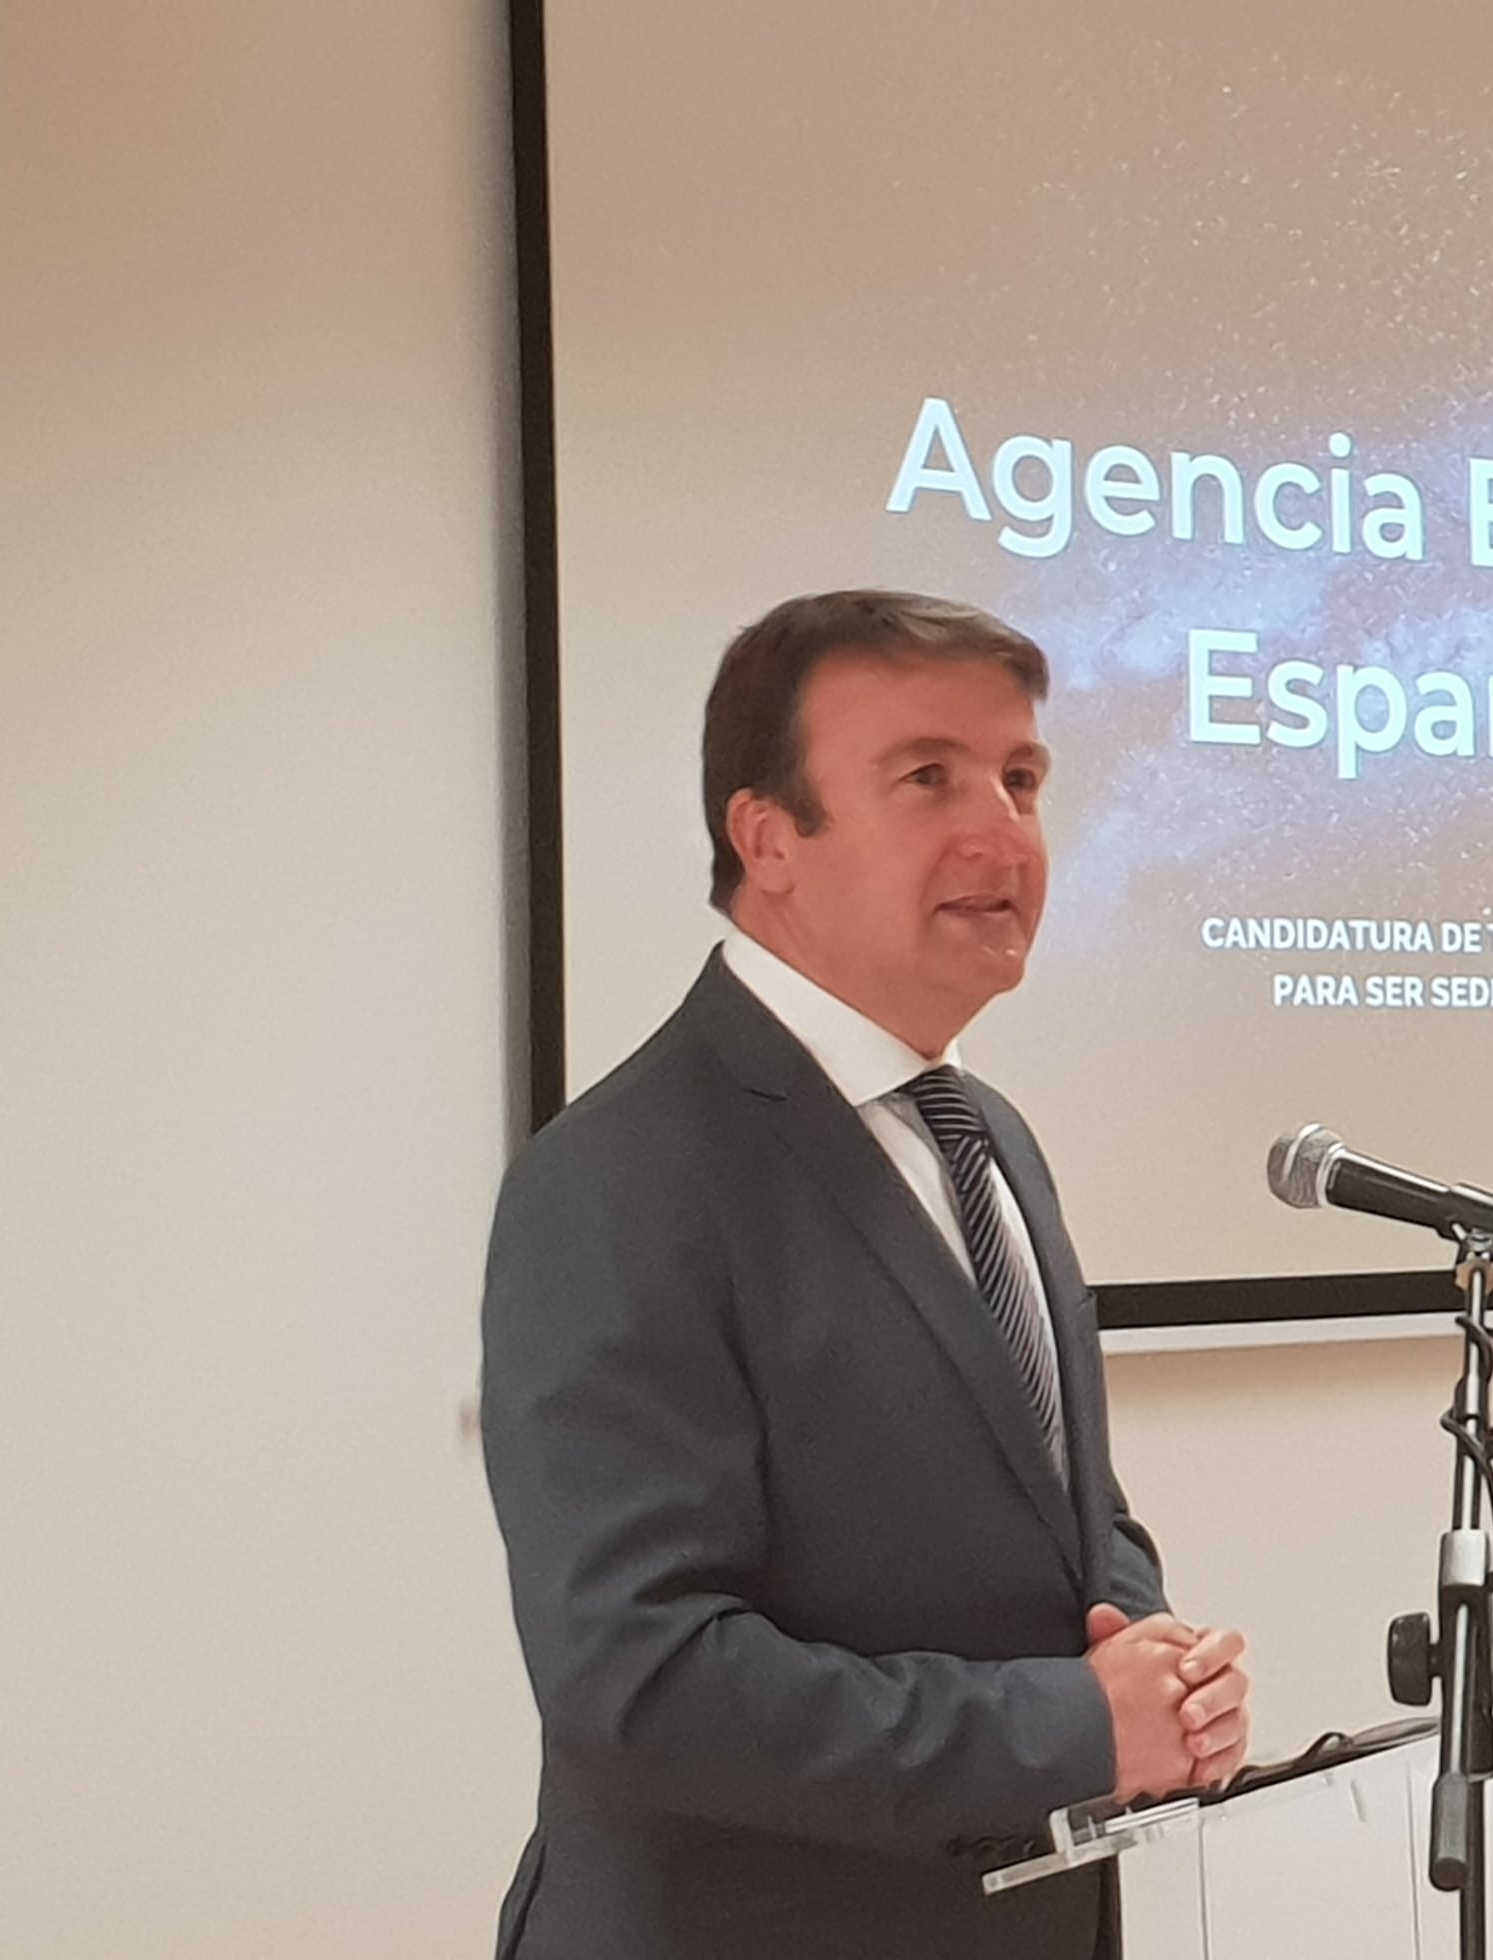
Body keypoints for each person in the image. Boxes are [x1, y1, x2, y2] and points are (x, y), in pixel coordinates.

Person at [478, 590, 1249, 1958]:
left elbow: (1064, 1515)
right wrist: (1075, 1725)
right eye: (928, 778)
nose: (1003, 833)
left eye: (1021, 780)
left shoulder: (986, 1134)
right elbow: (642, 1680)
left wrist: (1155, 1664)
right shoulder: (618, 1177)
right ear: (767, 838)